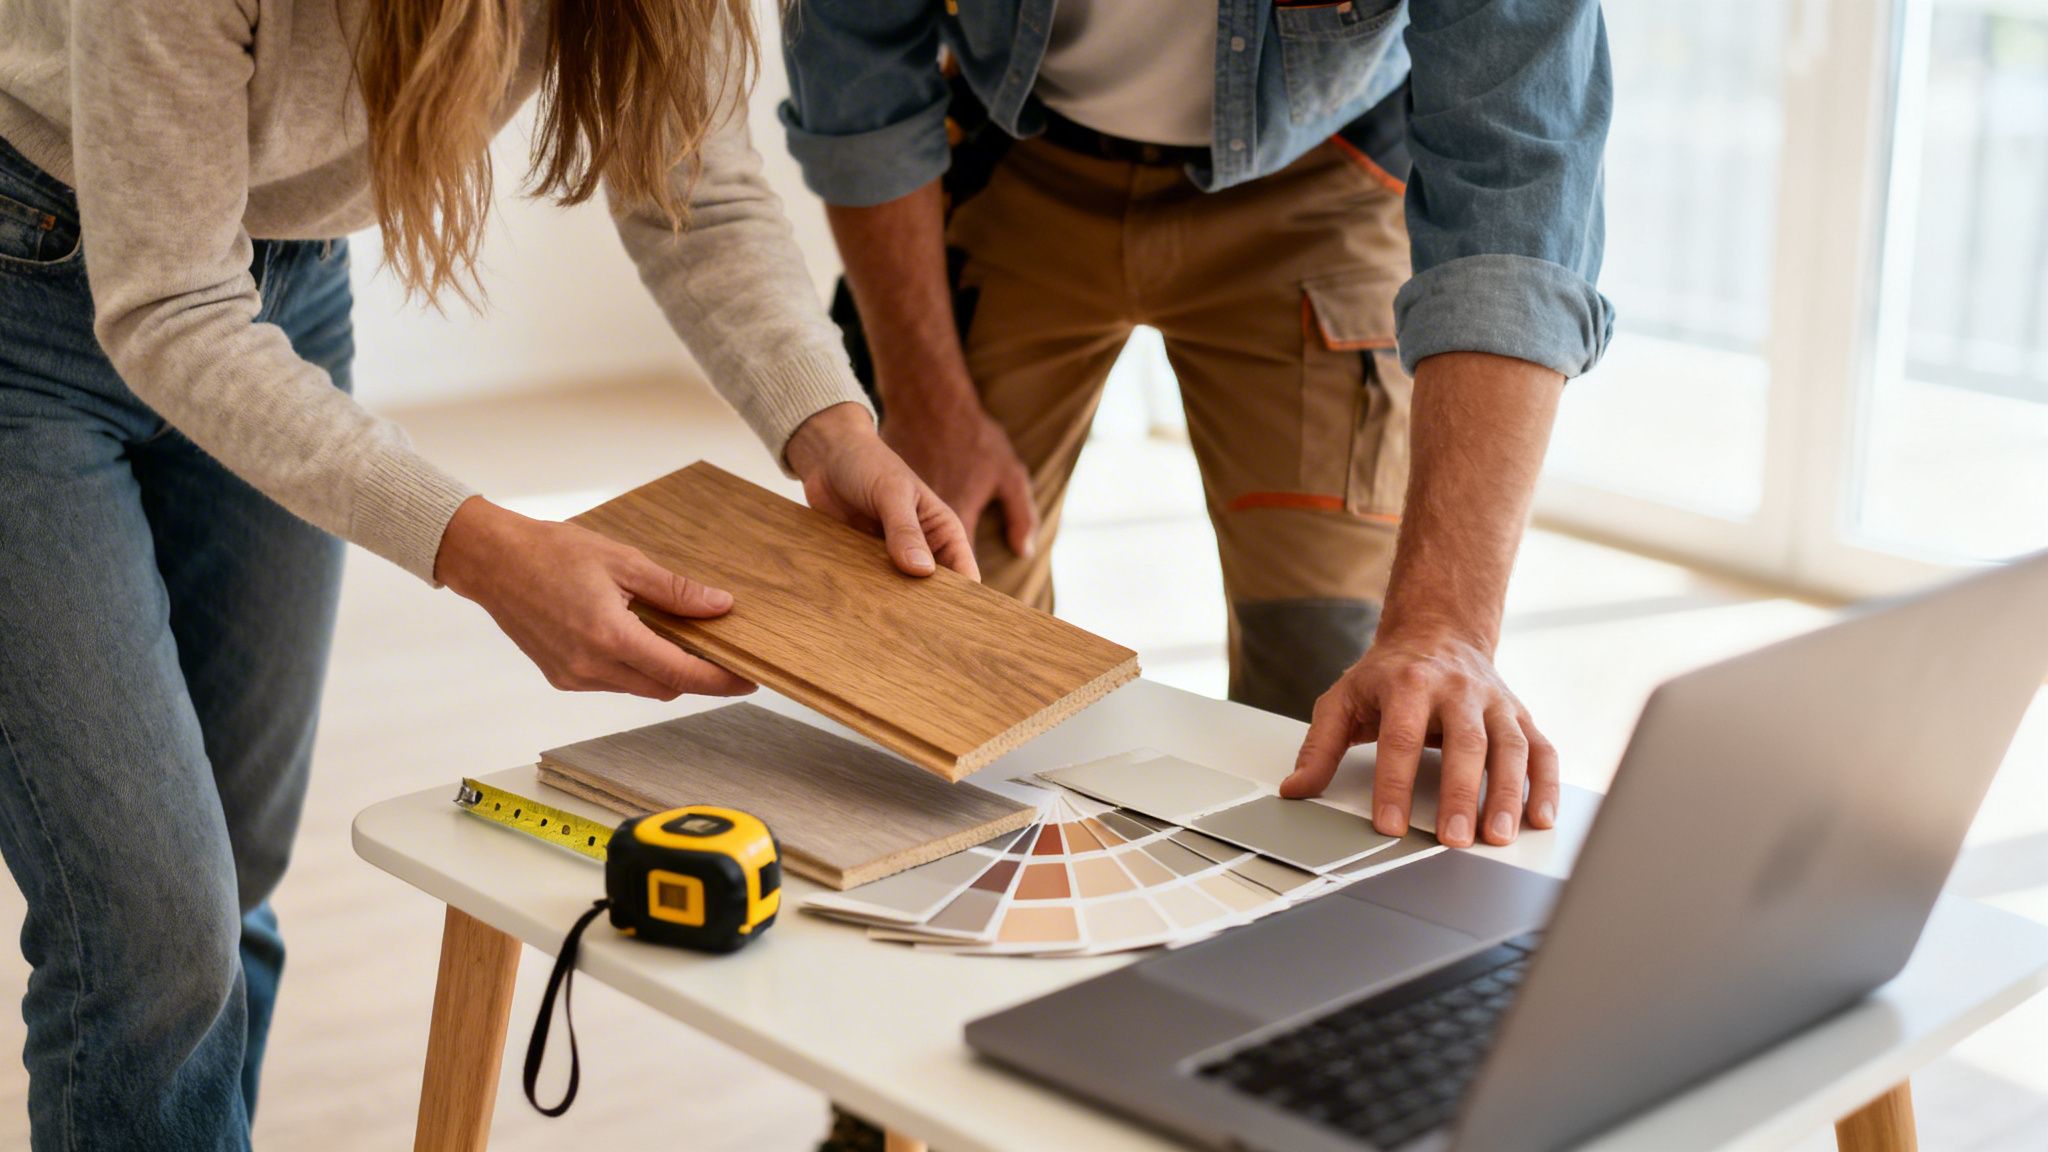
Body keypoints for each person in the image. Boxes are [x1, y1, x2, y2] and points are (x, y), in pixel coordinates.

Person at [0, 0, 970, 1147]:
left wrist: (834, 431)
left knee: (233, 868)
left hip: (280, 290)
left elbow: (694, 187)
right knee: (152, 929)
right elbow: (169, 304)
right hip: (35, 296)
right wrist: (476, 546)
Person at [780, 0, 1611, 852]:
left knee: (1347, 703)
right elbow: (855, 67)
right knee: (931, 657)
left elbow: (1517, 175)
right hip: (1015, 153)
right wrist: (925, 399)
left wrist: (1447, 625)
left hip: (1318, 173)